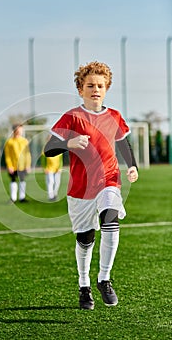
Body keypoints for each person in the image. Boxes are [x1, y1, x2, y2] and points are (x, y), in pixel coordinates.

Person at [44, 61, 138, 310]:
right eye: (90, 85)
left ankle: (104, 279)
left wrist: (132, 165)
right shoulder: (72, 117)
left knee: (111, 217)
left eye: (100, 85)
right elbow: (48, 149)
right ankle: (84, 285)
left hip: (109, 181)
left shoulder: (115, 116)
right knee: (85, 239)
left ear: (106, 88)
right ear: (80, 89)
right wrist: (69, 144)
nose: (95, 89)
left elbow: (123, 144)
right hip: (80, 190)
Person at [4, 124, 31, 203]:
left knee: (22, 180)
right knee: (13, 180)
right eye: (19, 130)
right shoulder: (9, 142)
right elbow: (8, 155)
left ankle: (22, 198)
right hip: (13, 166)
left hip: (22, 166)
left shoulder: (24, 141)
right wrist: (9, 166)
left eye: (21, 130)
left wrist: (28, 165)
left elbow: (27, 154)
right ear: (14, 131)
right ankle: (13, 198)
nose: (20, 132)